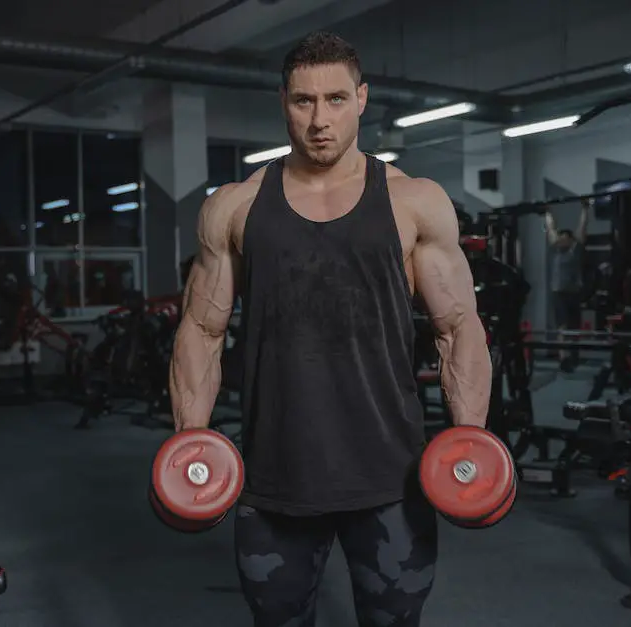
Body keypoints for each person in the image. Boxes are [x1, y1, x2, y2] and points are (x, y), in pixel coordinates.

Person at [169, 31, 491, 627]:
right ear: (284, 103)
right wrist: (192, 443)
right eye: (304, 101)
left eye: (336, 99)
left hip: (393, 480)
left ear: (362, 99)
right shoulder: (235, 206)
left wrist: (469, 442)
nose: (321, 120)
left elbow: (458, 327)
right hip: (272, 481)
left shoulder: (413, 201)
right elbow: (201, 329)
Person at [544, 201, 589, 372]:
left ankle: (574, 356)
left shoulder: (574, 251)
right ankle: (563, 358)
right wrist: (548, 212)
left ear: (570, 240)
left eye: (565, 238)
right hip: (558, 294)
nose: (561, 240)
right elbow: (551, 230)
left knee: (574, 327)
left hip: (574, 293)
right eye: (560, 238)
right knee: (562, 327)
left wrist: (585, 209)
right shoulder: (555, 251)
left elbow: (582, 228)